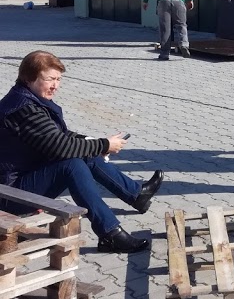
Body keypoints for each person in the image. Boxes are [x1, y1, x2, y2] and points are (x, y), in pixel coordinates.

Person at [0, 51, 164, 253]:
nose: (55, 86)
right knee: (72, 164)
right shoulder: (24, 110)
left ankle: (136, 194)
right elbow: (61, 147)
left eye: (59, 79)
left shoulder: (28, 98)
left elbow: (60, 135)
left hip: (22, 178)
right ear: (28, 78)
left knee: (85, 151)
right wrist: (103, 145)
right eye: (50, 79)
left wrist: (93, 142)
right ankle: (110, 233)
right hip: (10, 193)